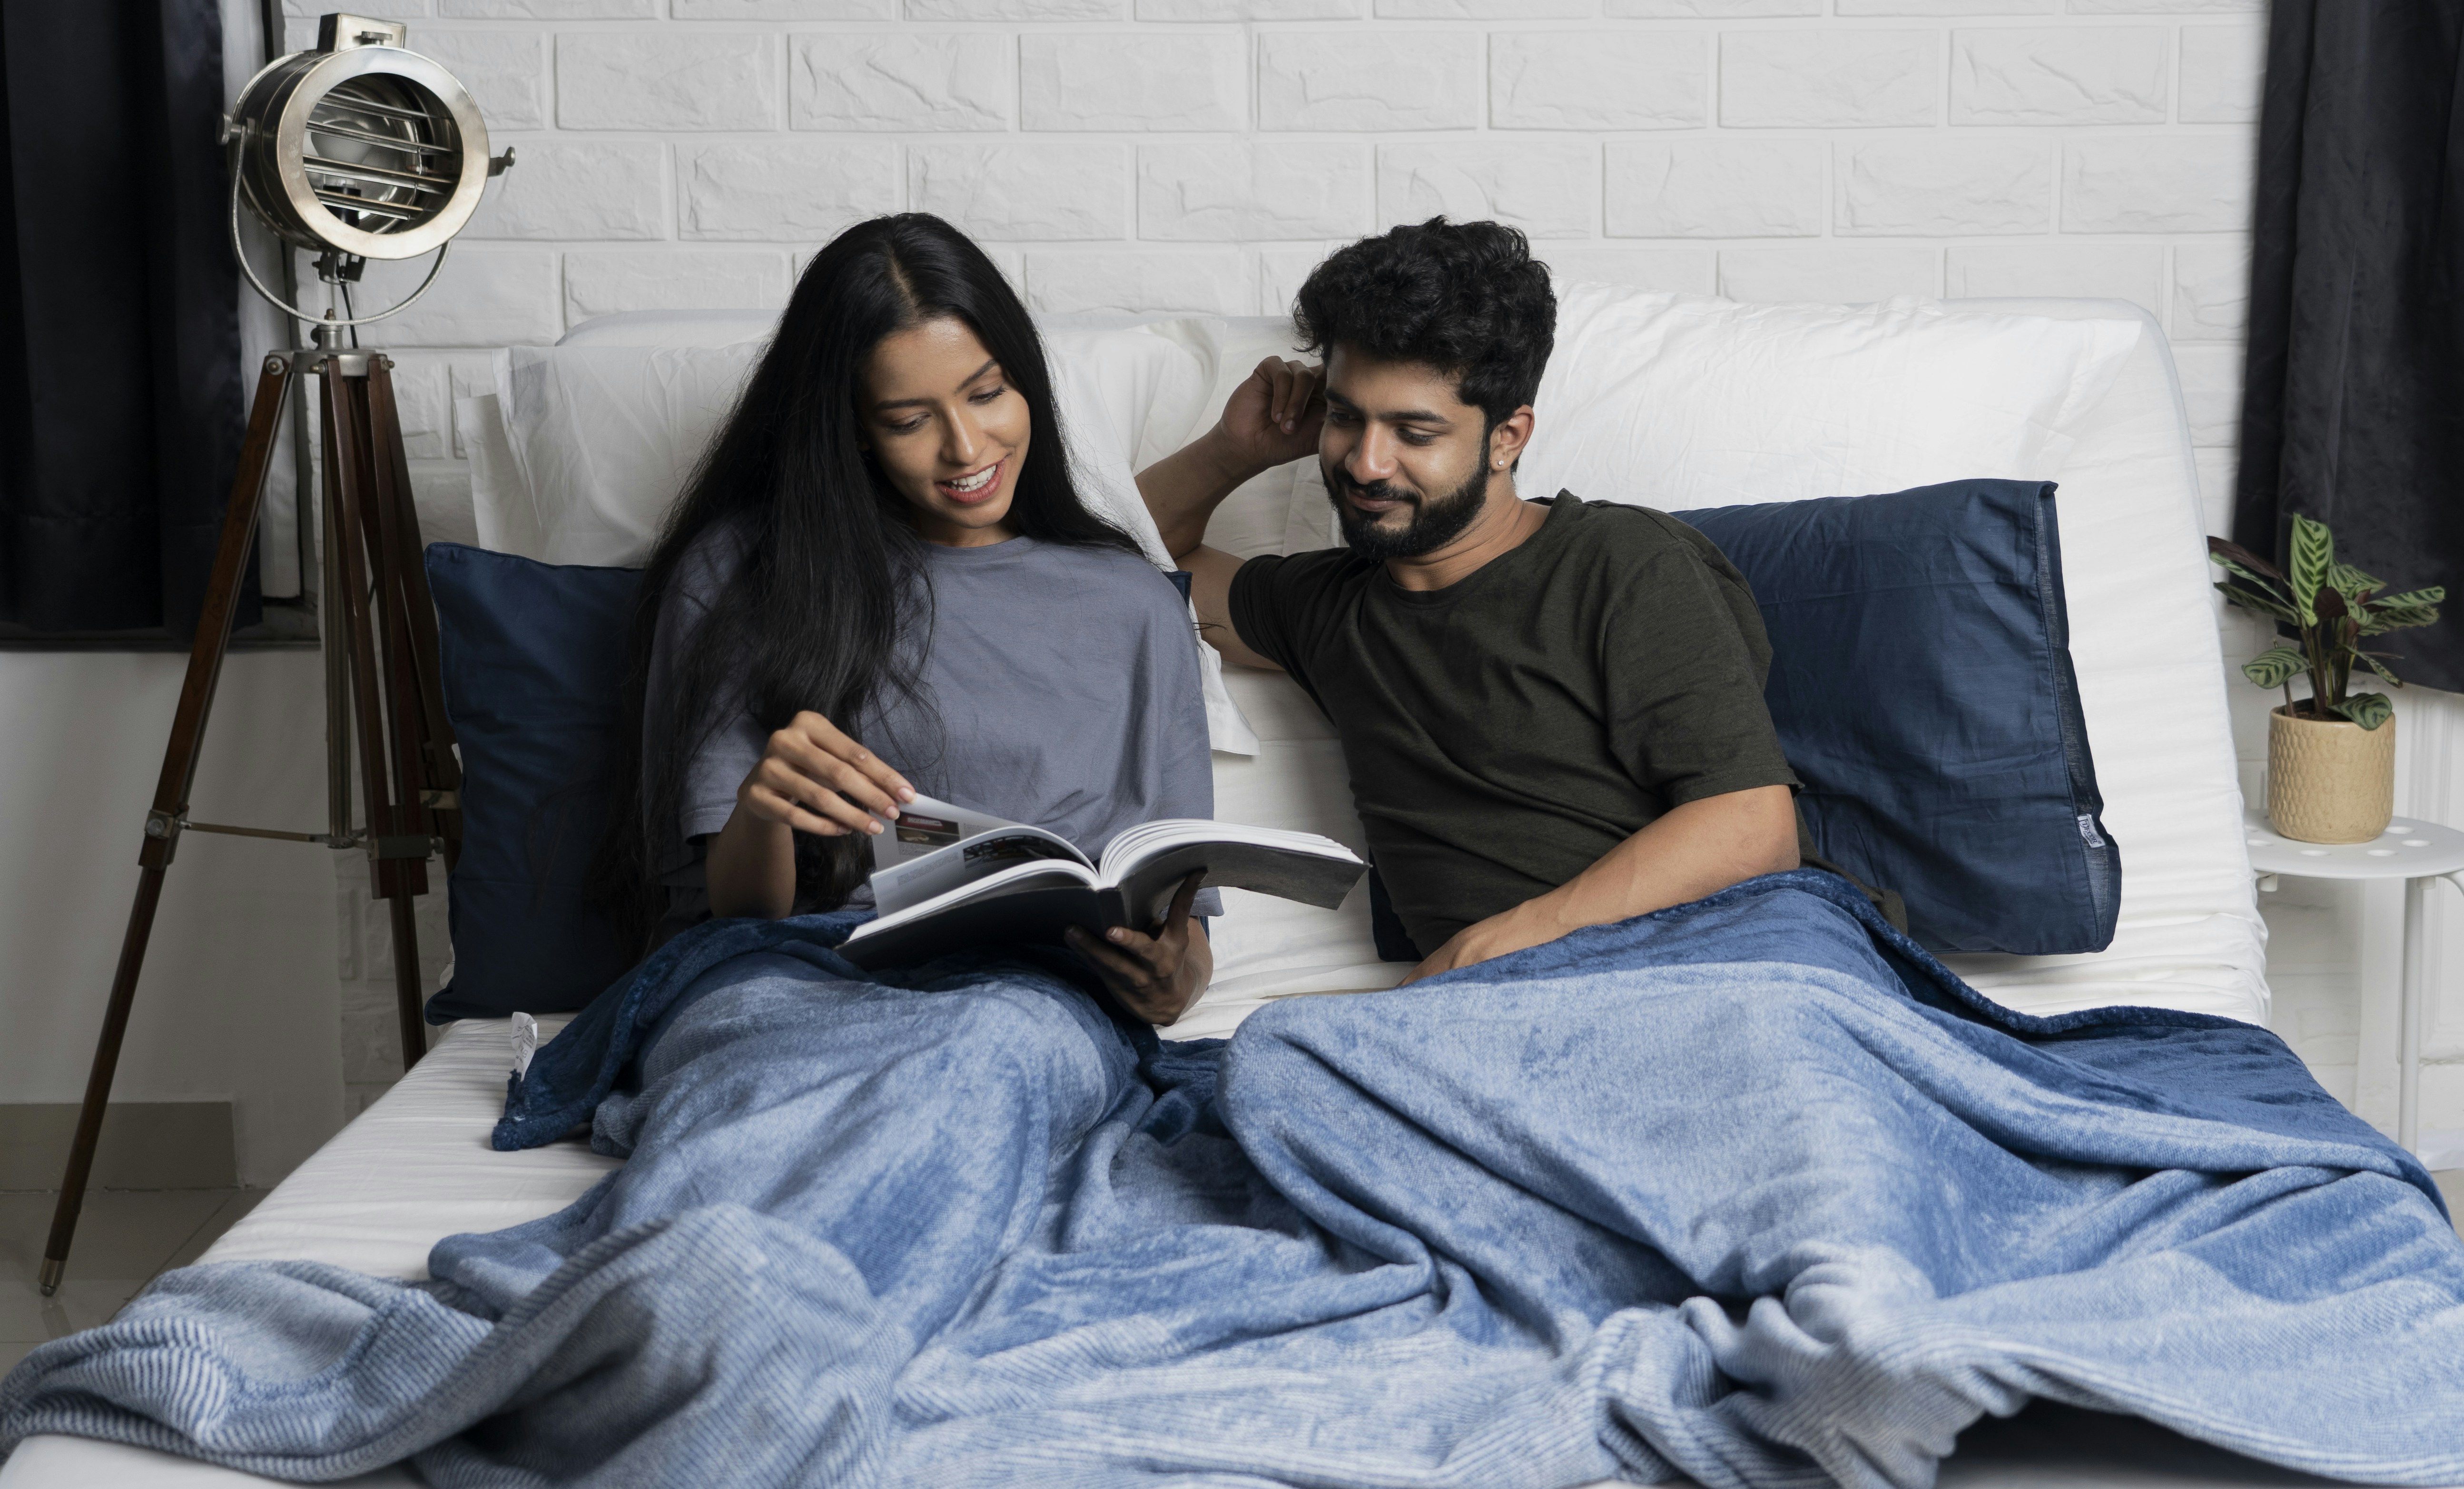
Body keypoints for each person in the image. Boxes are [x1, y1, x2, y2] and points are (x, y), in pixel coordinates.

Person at [592, 213, 1297, 1026]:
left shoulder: (1134, 605)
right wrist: (760, 804)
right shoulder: (744, 572)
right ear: (853, 429)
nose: (966, 448)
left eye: (987, 393)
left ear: (1025, 378)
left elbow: (1180, 925)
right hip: (794, 989)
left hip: (1025, 1006)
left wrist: (1176, 981)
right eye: (908, 420)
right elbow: (741, 916)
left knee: (1000, 1044)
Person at [1139, 217, 1876, 986]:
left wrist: (1487, 950)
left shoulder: (1619, 562)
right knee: (1270, 1057)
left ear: (1506, 436)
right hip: (1513, 1014)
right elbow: (1124, 563)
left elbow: (1752, 828)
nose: (1365, 462)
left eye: (1413, 431)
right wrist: (1232, 450)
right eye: (1346, 416)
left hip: (1736, 958)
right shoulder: (1325, 607)